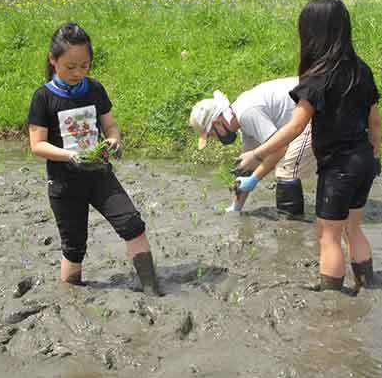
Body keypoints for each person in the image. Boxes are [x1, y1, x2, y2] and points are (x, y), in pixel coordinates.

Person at [236, 0, 382, 293]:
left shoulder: (318, 78)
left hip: (338, 168)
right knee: (353, 229)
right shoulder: (361, 69)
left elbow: (295, 127)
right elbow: (375, 121)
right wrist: (375, 154)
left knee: (328, 237)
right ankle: (366, 285)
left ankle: (331, 298)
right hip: (365, 160)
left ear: (312, 34)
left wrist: (256, 154)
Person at [27, 22, 160, 295]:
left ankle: (152, 289)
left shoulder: (95, 89)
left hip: (100, 175)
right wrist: (71, 156)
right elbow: (37, 145)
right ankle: (71, 300)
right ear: (53, 60)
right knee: (74, 248)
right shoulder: (43, 98)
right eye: (69, 67)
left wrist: (114, 140)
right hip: (64, 184)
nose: (77, 73)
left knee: (132, 225)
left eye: (84, 66)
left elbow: (110, 126)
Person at [189, 79, 316, 216]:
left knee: (286, 169)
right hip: (308, 109)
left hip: (316, 110)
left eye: (211, 135)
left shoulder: (246, 114)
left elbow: (280, 149)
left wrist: (254, 179)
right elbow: (247, 167)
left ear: (218, 123)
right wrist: (236, 207)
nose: (215, 140)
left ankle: (291, 222)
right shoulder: (241, 118)